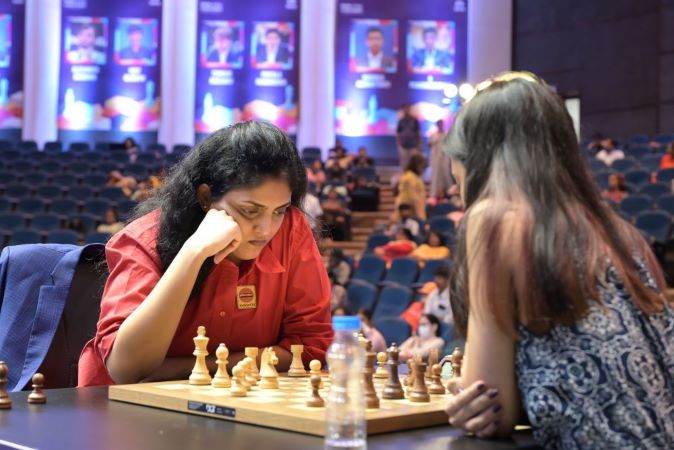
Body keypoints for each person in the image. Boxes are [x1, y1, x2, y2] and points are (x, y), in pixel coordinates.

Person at [443, 72, 674, 447]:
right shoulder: (621, 233)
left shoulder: (494, 219)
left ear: (479, 162)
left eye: (458, 183)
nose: (462, 197)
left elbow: (487, 400)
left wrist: (471, 398)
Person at [78, 121, 333, 386]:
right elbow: (126, 369)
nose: (266, 229)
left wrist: (188, 367)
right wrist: (193, 252)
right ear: (205, 197)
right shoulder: (144, 239)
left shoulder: (291, 229)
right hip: (116, 403)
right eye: (249, 210)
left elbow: (310, 347)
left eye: (279, 211)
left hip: (234, 398)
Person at [394, 154, 427, 221]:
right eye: (422, 166)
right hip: (409, 212)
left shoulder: (410, 176)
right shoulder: (410, 178)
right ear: (417, 165)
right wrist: (421, 217)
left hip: (412, 210)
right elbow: (414, 198)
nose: (423, 169)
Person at [428, 119, 453, 201]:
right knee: (436, 174)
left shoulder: (446, 134)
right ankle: (435, 193)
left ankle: (449, 192)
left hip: (445, 156)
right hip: (436, 157)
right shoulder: (433, 135)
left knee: (446, 173)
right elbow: (429, 144)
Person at [396, 105, 421, 171]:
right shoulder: (401, 121)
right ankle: (404, 175)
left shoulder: (414, 120)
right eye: (405, 109)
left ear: (409, 110)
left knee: (413, 162)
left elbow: (418, 133)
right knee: (404, 163)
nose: (406, 110)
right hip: (403, 145)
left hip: (413, 145)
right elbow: (398, 133)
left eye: (407, 109)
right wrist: (398, 143)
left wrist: (418, 144)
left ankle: (413, 175)